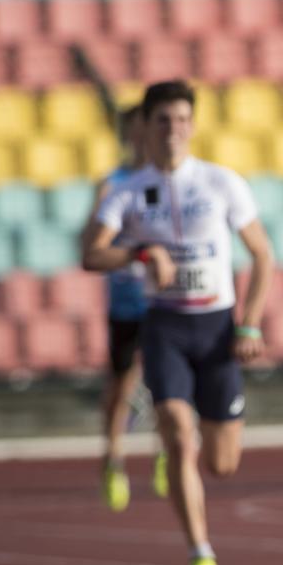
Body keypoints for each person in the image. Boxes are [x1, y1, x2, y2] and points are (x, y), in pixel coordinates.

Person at [82, 80, 274, 565]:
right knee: (176, 429)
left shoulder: (220, 182)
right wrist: (140, 254)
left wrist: (250, 322)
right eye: (163, 120)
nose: (174, 130)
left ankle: (185, 445)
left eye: (183, 120)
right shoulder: (125, 190)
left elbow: (262, 254)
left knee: (222, 463)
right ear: (144, 127)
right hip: (164, 324)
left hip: (216, 328)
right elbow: (90, 254)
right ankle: (200, 552)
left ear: (193, 125)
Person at [79, 105, 169, 512]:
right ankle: (113, 460)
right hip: (126, 302)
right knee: (121, 385)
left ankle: (167, 453)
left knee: (168, 385)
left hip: (165, 300)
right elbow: (90, 245)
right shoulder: (113, 184)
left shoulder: (169, 182)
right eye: (135, 132)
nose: (142, 139)